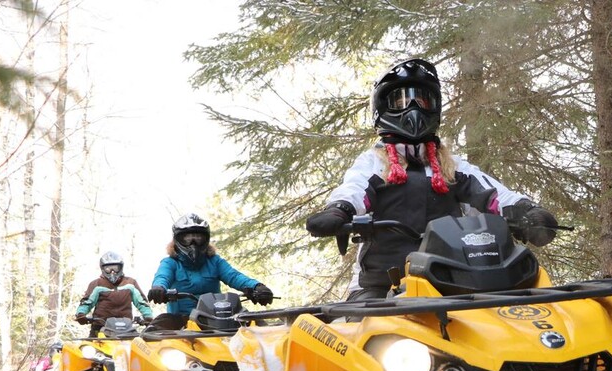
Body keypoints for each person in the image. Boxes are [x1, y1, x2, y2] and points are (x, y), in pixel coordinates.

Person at [305, 57, 558, 301]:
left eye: (422, 101)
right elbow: (355, 188)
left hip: (451, 282)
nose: (413, 109)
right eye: (401, 100)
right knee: (361, 335)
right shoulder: (374, 163)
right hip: (381, 286)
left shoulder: (451, 165)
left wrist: (526, 209)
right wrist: (340, 210)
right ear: (382, 107)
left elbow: (492, 193)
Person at [146, 213, 274, 330]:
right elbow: (162, 277)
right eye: (187, 238)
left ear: (206, 239)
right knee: (154, 329)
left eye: (198, 238)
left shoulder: (215, 261)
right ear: (177, 240)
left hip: (218, 317)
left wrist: (257, 287)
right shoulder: (170, 263)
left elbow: (234, 276)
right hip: (181, 319)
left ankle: (271, 354)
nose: (193, 243)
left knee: (259, 326)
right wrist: (159, 288)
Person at [75, 251, 153, 335]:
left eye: (115, 268)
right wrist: (81, 314)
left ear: (121, 267)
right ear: (102, 269)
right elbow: (87, 302)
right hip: (101, 327)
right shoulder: (96, 284)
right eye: (108, 269)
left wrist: (148, 316)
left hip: (126, 329)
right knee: (88, 347)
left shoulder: (130, 283)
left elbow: (141, 302)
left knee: (138, 346)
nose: (112, 272)